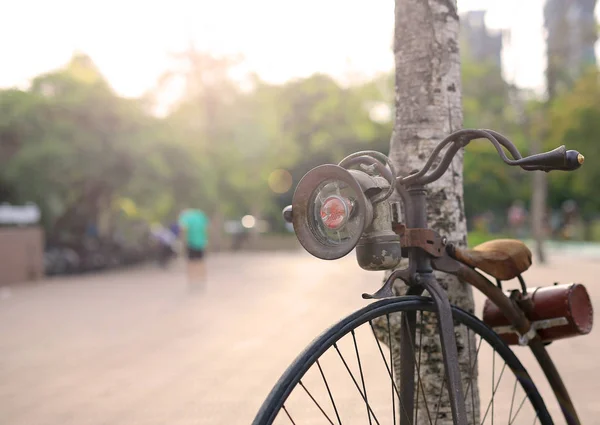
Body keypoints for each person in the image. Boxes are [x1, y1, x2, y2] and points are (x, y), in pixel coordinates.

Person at [178, 208, 210, 289]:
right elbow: (205, 229)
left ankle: (192, 281)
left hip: (191, 243)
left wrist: (182, 242)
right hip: (201, 242)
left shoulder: (185, 217)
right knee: (201, 262)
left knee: (191, 263)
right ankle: (202, 280)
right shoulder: (200, 216)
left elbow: (183, 229)